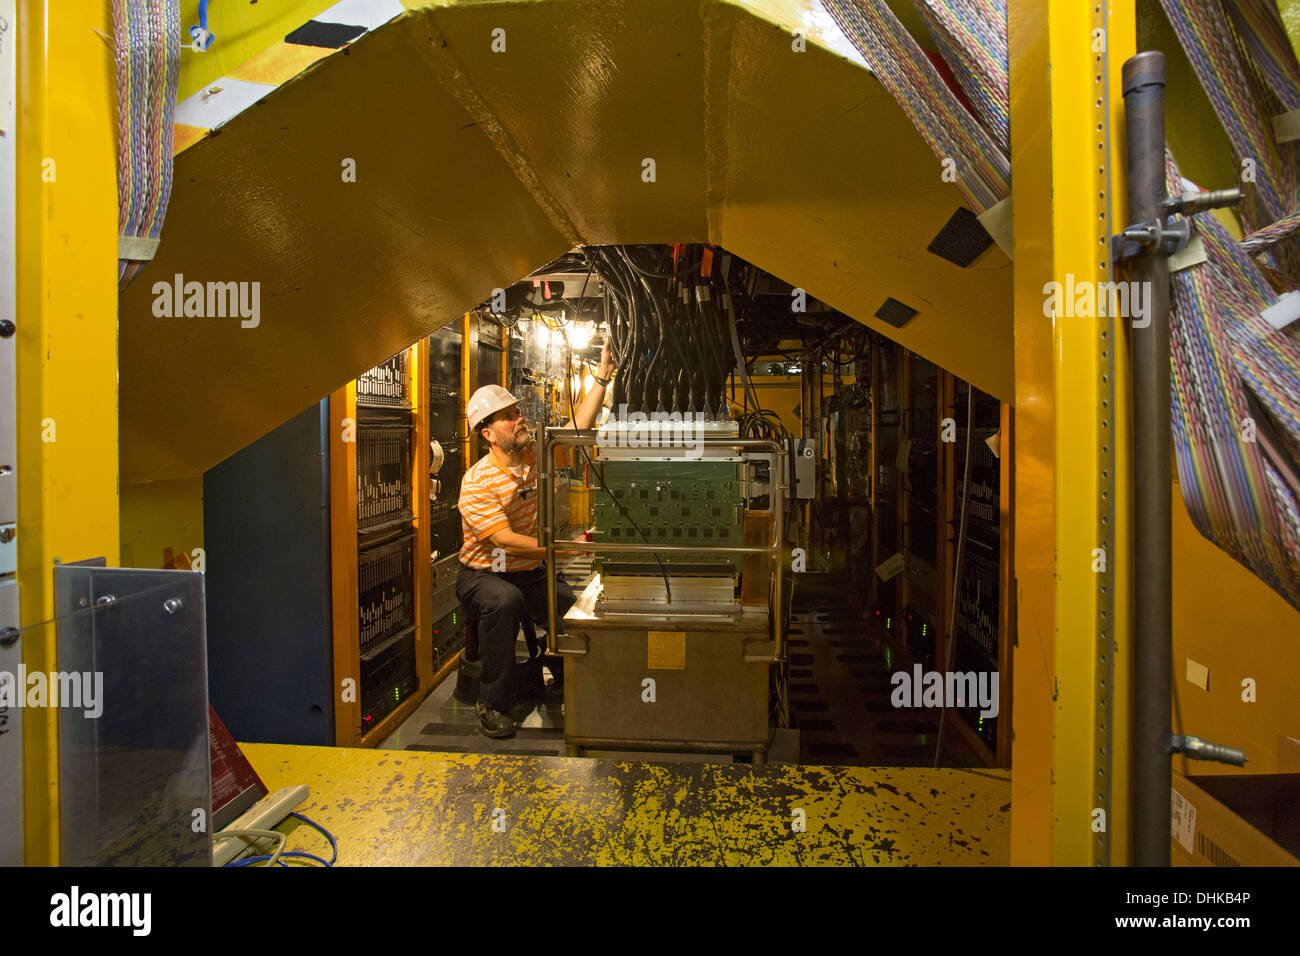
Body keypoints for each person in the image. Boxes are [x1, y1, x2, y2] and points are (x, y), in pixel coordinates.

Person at [456, 342, 615, 738]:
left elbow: (578, 428)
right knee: (505, 602)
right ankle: (492, 702)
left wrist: (602, 375)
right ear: (488, 434)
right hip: (483, 575)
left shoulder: (533, 457)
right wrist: (560, 549)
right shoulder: (477, 482)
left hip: (528, 570)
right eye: (508, 417)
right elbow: (505, 541)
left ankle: (566, 672)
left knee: (570, 606)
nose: (519, 418)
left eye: (517, 412)